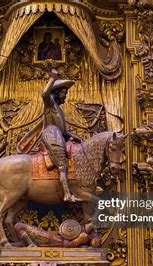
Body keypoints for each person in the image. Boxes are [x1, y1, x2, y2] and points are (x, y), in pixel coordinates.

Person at [41, 69, 82, 202]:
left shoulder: (59, 110)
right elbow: (44, 93)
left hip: (58, 134)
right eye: (63, 93)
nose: (65, 96)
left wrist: (72, 135)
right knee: (62, 164)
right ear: (57, 93)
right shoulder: (50, 103)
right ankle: (66, 194)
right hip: (51, 134)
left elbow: (63, 131)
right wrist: (52, 78)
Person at [14, 220, 101, 248]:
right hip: (44, 237)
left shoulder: (85, 235)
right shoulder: (84, 231)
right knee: (18, 244)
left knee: (18, 226)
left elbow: (69, 244)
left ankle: (31, 245)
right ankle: (31, 244)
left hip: (48, 239)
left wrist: (78, 241)